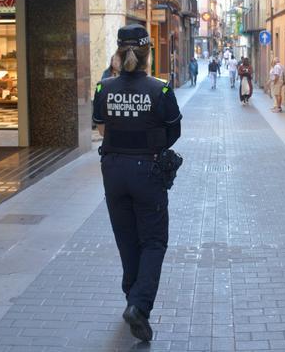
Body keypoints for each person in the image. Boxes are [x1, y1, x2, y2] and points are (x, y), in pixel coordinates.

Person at [92, 24, 183, 342]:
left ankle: (132, 296)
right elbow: (174, 133)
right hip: (148, 171)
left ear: (118, 53)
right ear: (148, 54)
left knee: (126, 239)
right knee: (154, 241)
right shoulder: (161, 90)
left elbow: (101, 128)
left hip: (113, 170)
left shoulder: (103, 88)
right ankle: (139, 306)